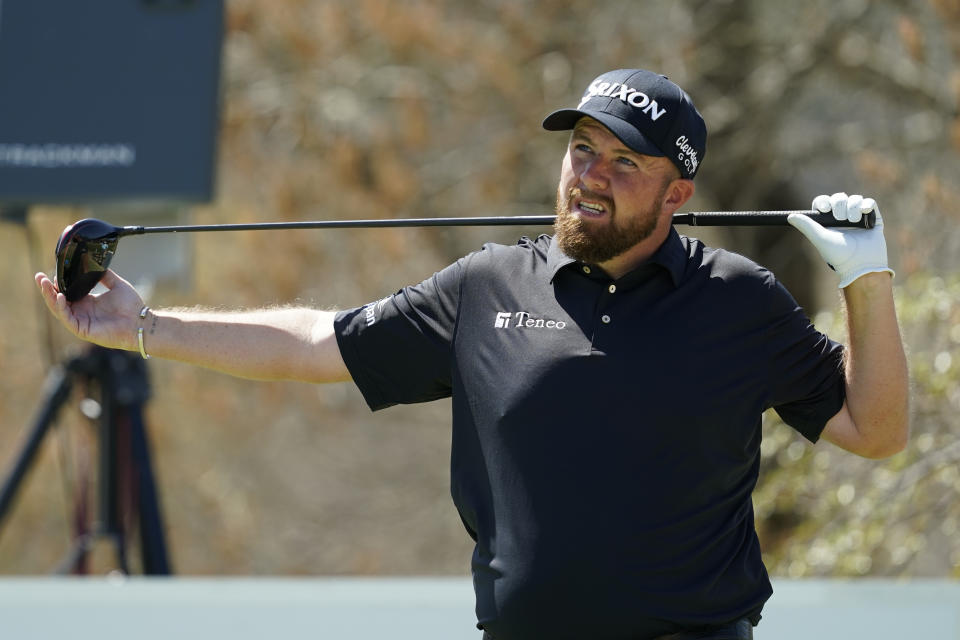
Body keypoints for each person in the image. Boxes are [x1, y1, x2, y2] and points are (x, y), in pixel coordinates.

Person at [35, 69, 909, 640]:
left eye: (624, 163)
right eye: (581, 150)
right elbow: (313, 342)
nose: (590, 175)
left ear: (679, 195)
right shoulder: (488, 287)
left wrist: (866, 283)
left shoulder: (737, 299)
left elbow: (876, 429)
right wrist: (146, 328)